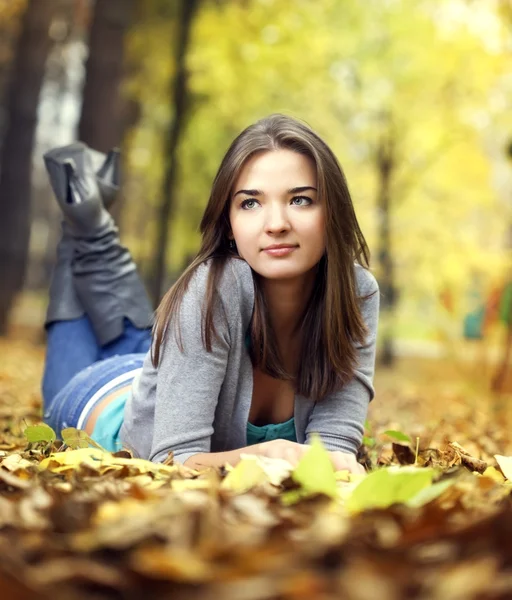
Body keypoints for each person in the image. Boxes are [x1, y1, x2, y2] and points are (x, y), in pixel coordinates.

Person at [42, 114, 379, 474]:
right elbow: (174, 461)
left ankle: (91, 223)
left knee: (141, 339)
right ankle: (83, 227)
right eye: (250, 203)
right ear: (229, 226)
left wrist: (337, 465)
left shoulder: (356, 293)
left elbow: (334, 448)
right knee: (91, 290)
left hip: (168, 372)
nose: (277, 224)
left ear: (332, 212)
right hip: (101, 400)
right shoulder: (214, 287)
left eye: (300, 200)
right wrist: (270, 455)